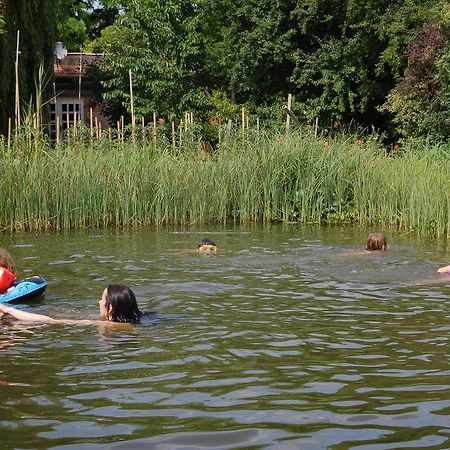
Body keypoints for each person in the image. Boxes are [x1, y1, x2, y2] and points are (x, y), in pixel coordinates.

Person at [0, 284, 141, 325]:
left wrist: (7, 309)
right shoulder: (128, 321)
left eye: (102, 299)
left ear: (110, 308)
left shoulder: (106, 325)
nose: (98, 302)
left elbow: (49, 321)